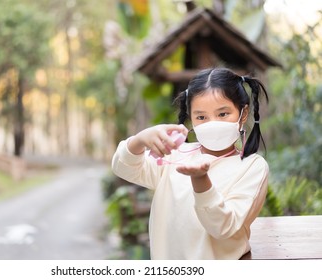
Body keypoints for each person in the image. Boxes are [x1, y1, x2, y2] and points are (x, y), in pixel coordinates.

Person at [111, 67, 269, 259]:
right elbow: (124, 168)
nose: (212, 123)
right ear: (191, 119)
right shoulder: (174, 155)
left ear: (243, 114)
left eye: (223, 114)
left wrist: (200, 181)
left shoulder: (252, 167)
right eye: (201, 117)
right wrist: (139, 140)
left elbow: (223, 227)